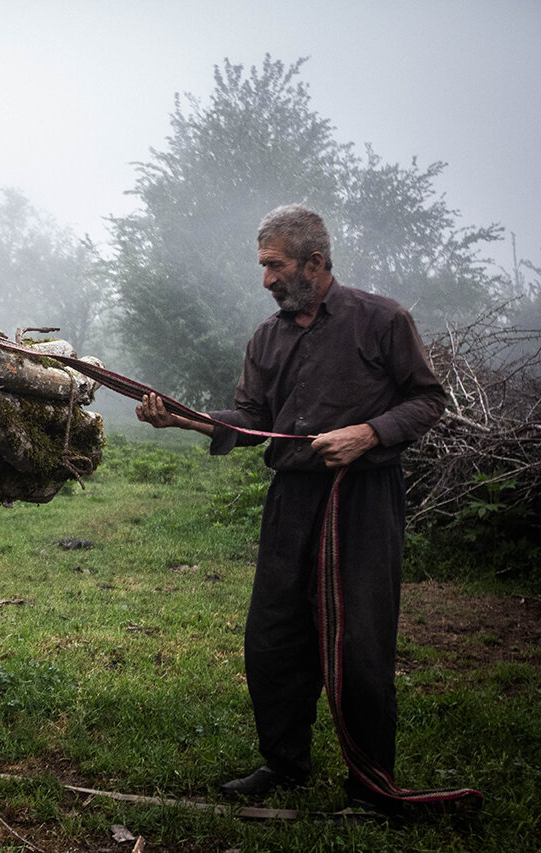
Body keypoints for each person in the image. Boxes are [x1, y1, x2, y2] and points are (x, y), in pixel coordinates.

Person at [136, 204, 447, 812]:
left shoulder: (382, 320)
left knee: (360, 643)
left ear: (315, 261)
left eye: (275, 267)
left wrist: (371, 433)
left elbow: (427, 399)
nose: (267, 281)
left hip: (361, 503)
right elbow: (252, 421)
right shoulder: (267, 338)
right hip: (292, 503)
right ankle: (285, 763)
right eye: (262, 268)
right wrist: (186, 419)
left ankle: (370, 785)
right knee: (272, 638)